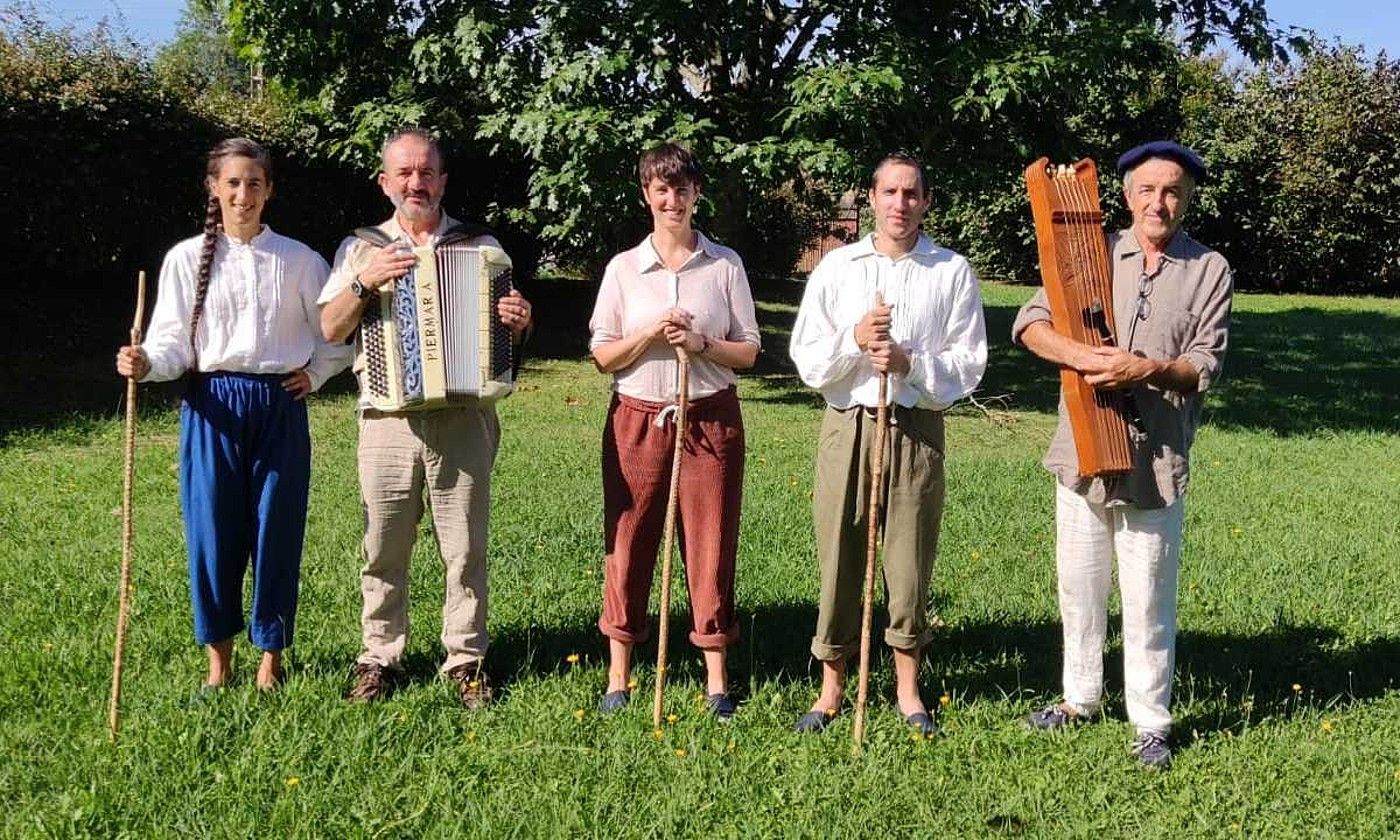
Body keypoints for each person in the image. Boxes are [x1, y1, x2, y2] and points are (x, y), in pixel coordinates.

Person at [1013, 140, 1232, 769]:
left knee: (1147, 597)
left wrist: (1149, 369)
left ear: (1187, 198)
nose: (1158, 202)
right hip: (1081, 449)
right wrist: (1088, 360)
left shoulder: (1209, 268)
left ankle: (1151, 722)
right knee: (1079, 587)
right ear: (1127, 195)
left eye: (1172, 191)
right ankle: (1079, 699)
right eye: (1146, 190)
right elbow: (1029, 324)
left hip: (1155, 459)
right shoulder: (1092, 251)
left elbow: (1204, 362)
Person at [114, 138, 350, 692]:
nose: (243, 194)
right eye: (233, 183)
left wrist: (313, 375)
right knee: (212, 532)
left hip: (279, 407)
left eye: (254, 183)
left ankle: (271, 658)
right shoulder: (184, 258)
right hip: (211, 406)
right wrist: (145, 362)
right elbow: (172, 344)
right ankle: (218, 662)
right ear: (214, 188)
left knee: (277, 529)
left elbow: (335, 337)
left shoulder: (299, 260)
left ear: (269, 191)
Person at [319, 127, 533, 708]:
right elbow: (332, 329)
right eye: (405, 173)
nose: (417, 183)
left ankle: (465, 658)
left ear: (442, 179)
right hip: (385, 419)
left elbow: (506, 345)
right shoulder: (360, 249)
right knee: (384, 545)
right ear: (386, 182)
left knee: (465, 547)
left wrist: (517, 321)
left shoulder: (480, 247)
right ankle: (378, 656)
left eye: (427, 172)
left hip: (465, 416)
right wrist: (366, 283)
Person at [788, 152, 987, 735]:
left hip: (915, 428)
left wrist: (910, 363)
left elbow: (969, 362)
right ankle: (831, 690)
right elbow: (806, 357)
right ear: (871, 199)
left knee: (908, 562)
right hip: (847, 424)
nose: (901, 203)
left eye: (912, 193)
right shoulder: (838, 268)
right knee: (841, 558)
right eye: (890, 192)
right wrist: (855, 338)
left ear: (926, 201)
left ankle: (906, 690)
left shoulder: (950, 271)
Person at [588, 143, 761, 719]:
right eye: (661, 189)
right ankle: (620, 675)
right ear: (646, 195)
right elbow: (604, 356)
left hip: (709, 417)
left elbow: (749, 352)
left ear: (696, 194)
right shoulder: (622, 269)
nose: (672, 199)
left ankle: (716, 679)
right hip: (637, 418)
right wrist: (651, 338)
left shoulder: (724, 265)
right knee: (630, 542)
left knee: (710, 543)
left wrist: (701, 345)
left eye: (682, 188)